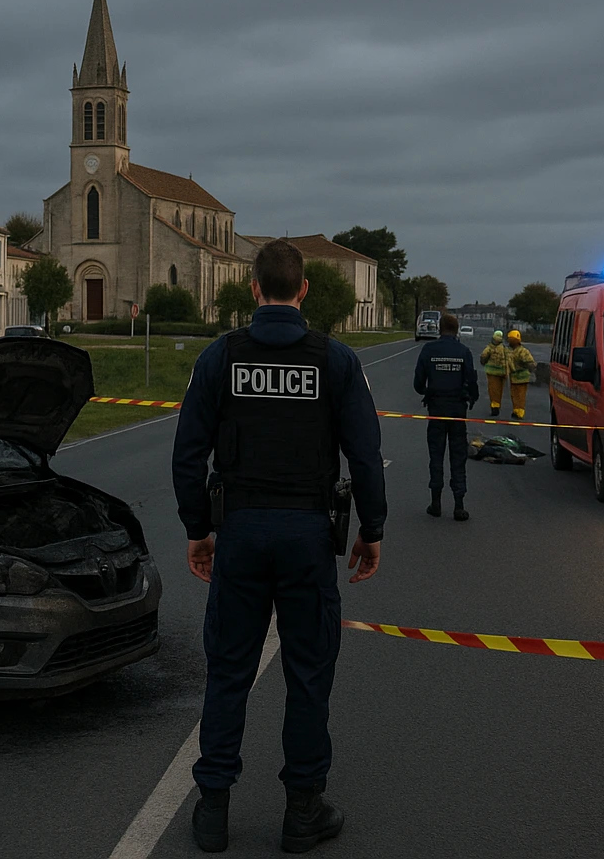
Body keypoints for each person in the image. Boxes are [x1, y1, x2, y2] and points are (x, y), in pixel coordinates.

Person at [172, 238, 387, 854]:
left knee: (229, 672)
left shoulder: (220, 358)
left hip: (239, 532)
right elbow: (366, 457)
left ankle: (212, 812)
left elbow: (188, 453)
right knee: (309, 673)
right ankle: (302, 813)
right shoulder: (337, 361)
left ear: (252, 288)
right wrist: (371, 531)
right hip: (305, 538)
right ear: (305, 290)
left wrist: (197, 530)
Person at [413, 312, 480, 521]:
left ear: (440, 329)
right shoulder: (464, 352)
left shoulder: (429, 350)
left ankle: (436, 503)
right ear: (457, 329)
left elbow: (418, 383)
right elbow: (471, 379)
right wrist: (471, 398)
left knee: (436, 456)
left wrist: (428, 392)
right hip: (457, 412)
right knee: (458, 457)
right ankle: (459, 506)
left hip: (437, 409)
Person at [505, 329, 537, 419]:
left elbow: (530, 362)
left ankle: (520, 412)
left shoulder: (523, 351)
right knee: (514, 395)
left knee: (520, 395)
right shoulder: (511, 351)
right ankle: (516, 410)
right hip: (514, 377)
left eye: (510, 340)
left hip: (522, 377)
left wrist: (532, 369)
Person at [479, 330, 508, 418]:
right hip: (502, 373)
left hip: (492, 373)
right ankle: (498, 404)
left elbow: (483, 356)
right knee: (500, 390)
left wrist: (483, 362)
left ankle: (495, 406)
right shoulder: (504, 348)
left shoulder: (490, 347)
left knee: (493, 390)